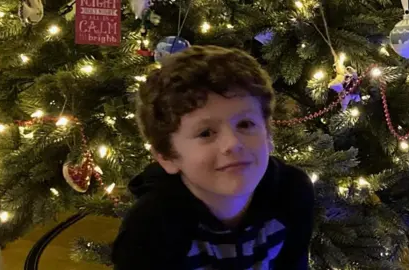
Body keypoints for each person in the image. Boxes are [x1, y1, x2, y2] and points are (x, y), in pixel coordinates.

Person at [112, 45, 315, 269]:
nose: (233, 144)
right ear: (166, 157)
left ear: (268, 134)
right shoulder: (149, 229)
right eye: (205, 133)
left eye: (245, 124)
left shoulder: (293, 192)